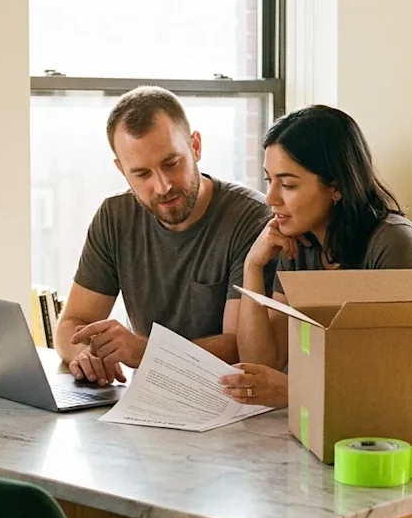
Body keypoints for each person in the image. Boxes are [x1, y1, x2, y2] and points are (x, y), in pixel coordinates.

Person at [219, 104, 412, 410]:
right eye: (269, 181)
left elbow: (402, 378)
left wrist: (295, 391)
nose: (271, 198)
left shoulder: (394, 244)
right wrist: (253, 265)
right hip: (358, 422)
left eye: (288, 184)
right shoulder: (299, 246)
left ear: (336, 187)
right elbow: (263, 365)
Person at [56, 86, 276, 386]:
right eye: (142, 174)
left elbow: (239, 348)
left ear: (195, 146)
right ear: (122, 170)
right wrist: (84, 354)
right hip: (153, 400)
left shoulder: (252, 220)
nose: (162, 186)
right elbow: (72, 323)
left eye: (171, 164)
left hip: (231, 399)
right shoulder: (114, 217)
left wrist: (144, 352)